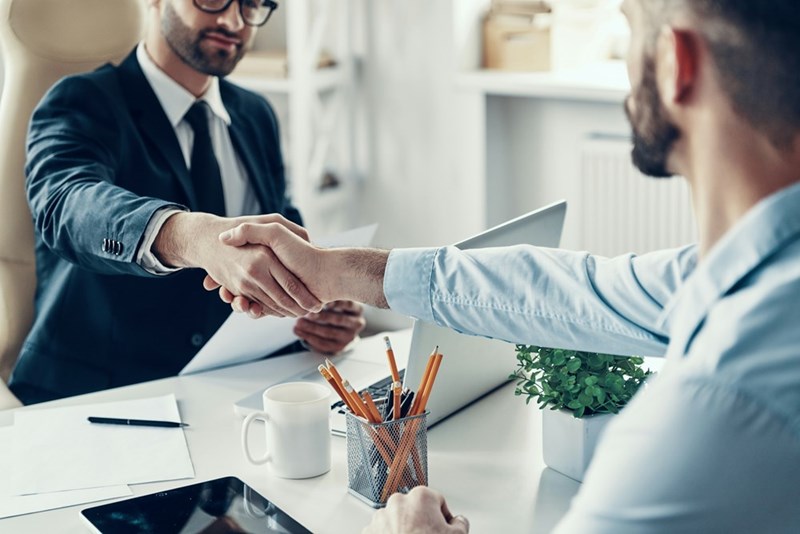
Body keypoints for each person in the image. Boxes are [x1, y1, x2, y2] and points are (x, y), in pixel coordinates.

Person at [207, 0, 800, 531]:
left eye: (630, 26)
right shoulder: (748, 274)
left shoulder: (717, 406)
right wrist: (332, 270)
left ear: (675, 64)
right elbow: (578, 291)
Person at [7, 0, 364, 406]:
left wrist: (314, 305)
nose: (233, 21)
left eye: (251, 5)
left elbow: (284, 234)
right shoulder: (82, 100)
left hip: (227, 391)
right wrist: (192, 237)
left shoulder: (255, 115)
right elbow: (66, 204)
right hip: (104, 396)